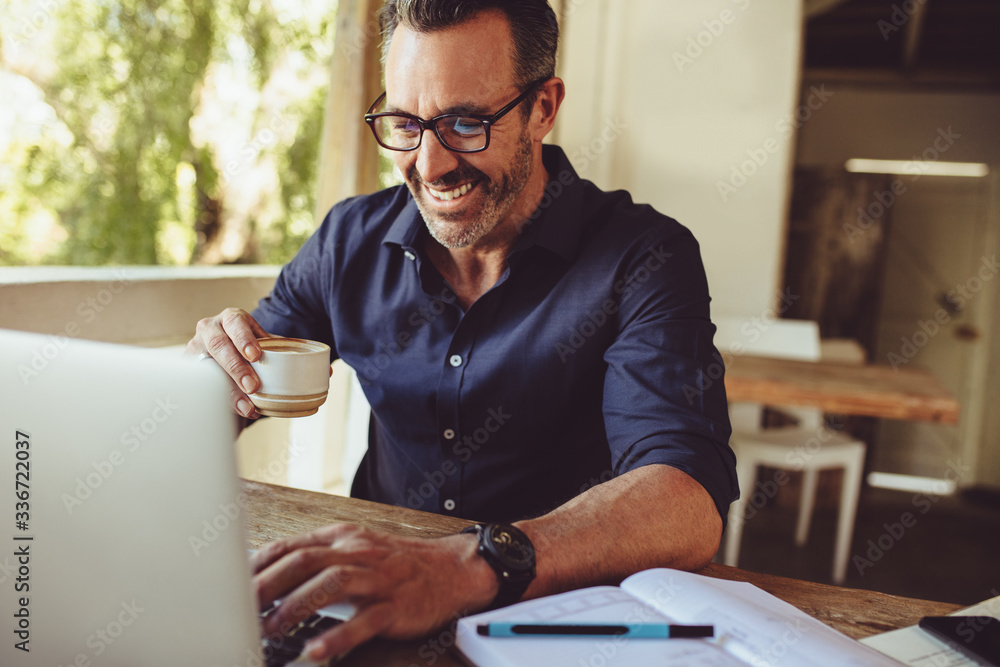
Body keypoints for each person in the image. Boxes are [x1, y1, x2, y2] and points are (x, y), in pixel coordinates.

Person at [186, 0, 737, 661]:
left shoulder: (644, 257)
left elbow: (687, 498)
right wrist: (200, 387)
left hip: (553, 622)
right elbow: (241, 379)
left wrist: (468, 564)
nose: (431, 164)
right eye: (406, 123)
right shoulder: (348, 241)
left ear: (544, 107)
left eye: (466, 123)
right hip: (370, 599)